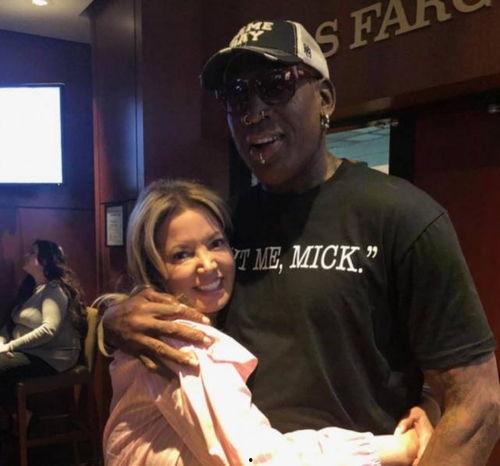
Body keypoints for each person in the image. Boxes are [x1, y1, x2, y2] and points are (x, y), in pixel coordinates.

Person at [101, 20, 500, 465]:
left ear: (325, 99)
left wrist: (427, 405)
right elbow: (167, 306)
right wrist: (112, 322)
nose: (253, 112)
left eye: (276, 86)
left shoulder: (403, 216)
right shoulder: (226, 227)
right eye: (237, 95)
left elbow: (477, 403)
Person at [102, 178, 422, 465]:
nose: (208, 264)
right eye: (182, 255)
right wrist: (398, 449)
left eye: (216, 243)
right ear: (153, 269)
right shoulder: (180, 342)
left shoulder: (179, 327)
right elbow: (260, 459)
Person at [0, 239, 87, 402]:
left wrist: (10, 346)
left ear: (45, 261)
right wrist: (1, 343)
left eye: (32, 253)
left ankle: (16, 413)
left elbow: (48, 330)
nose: (26, 255)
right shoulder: (30, 289)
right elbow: (10, 324)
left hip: (51, 357)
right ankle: (14, 414)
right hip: (27, 350)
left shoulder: (54, 290)